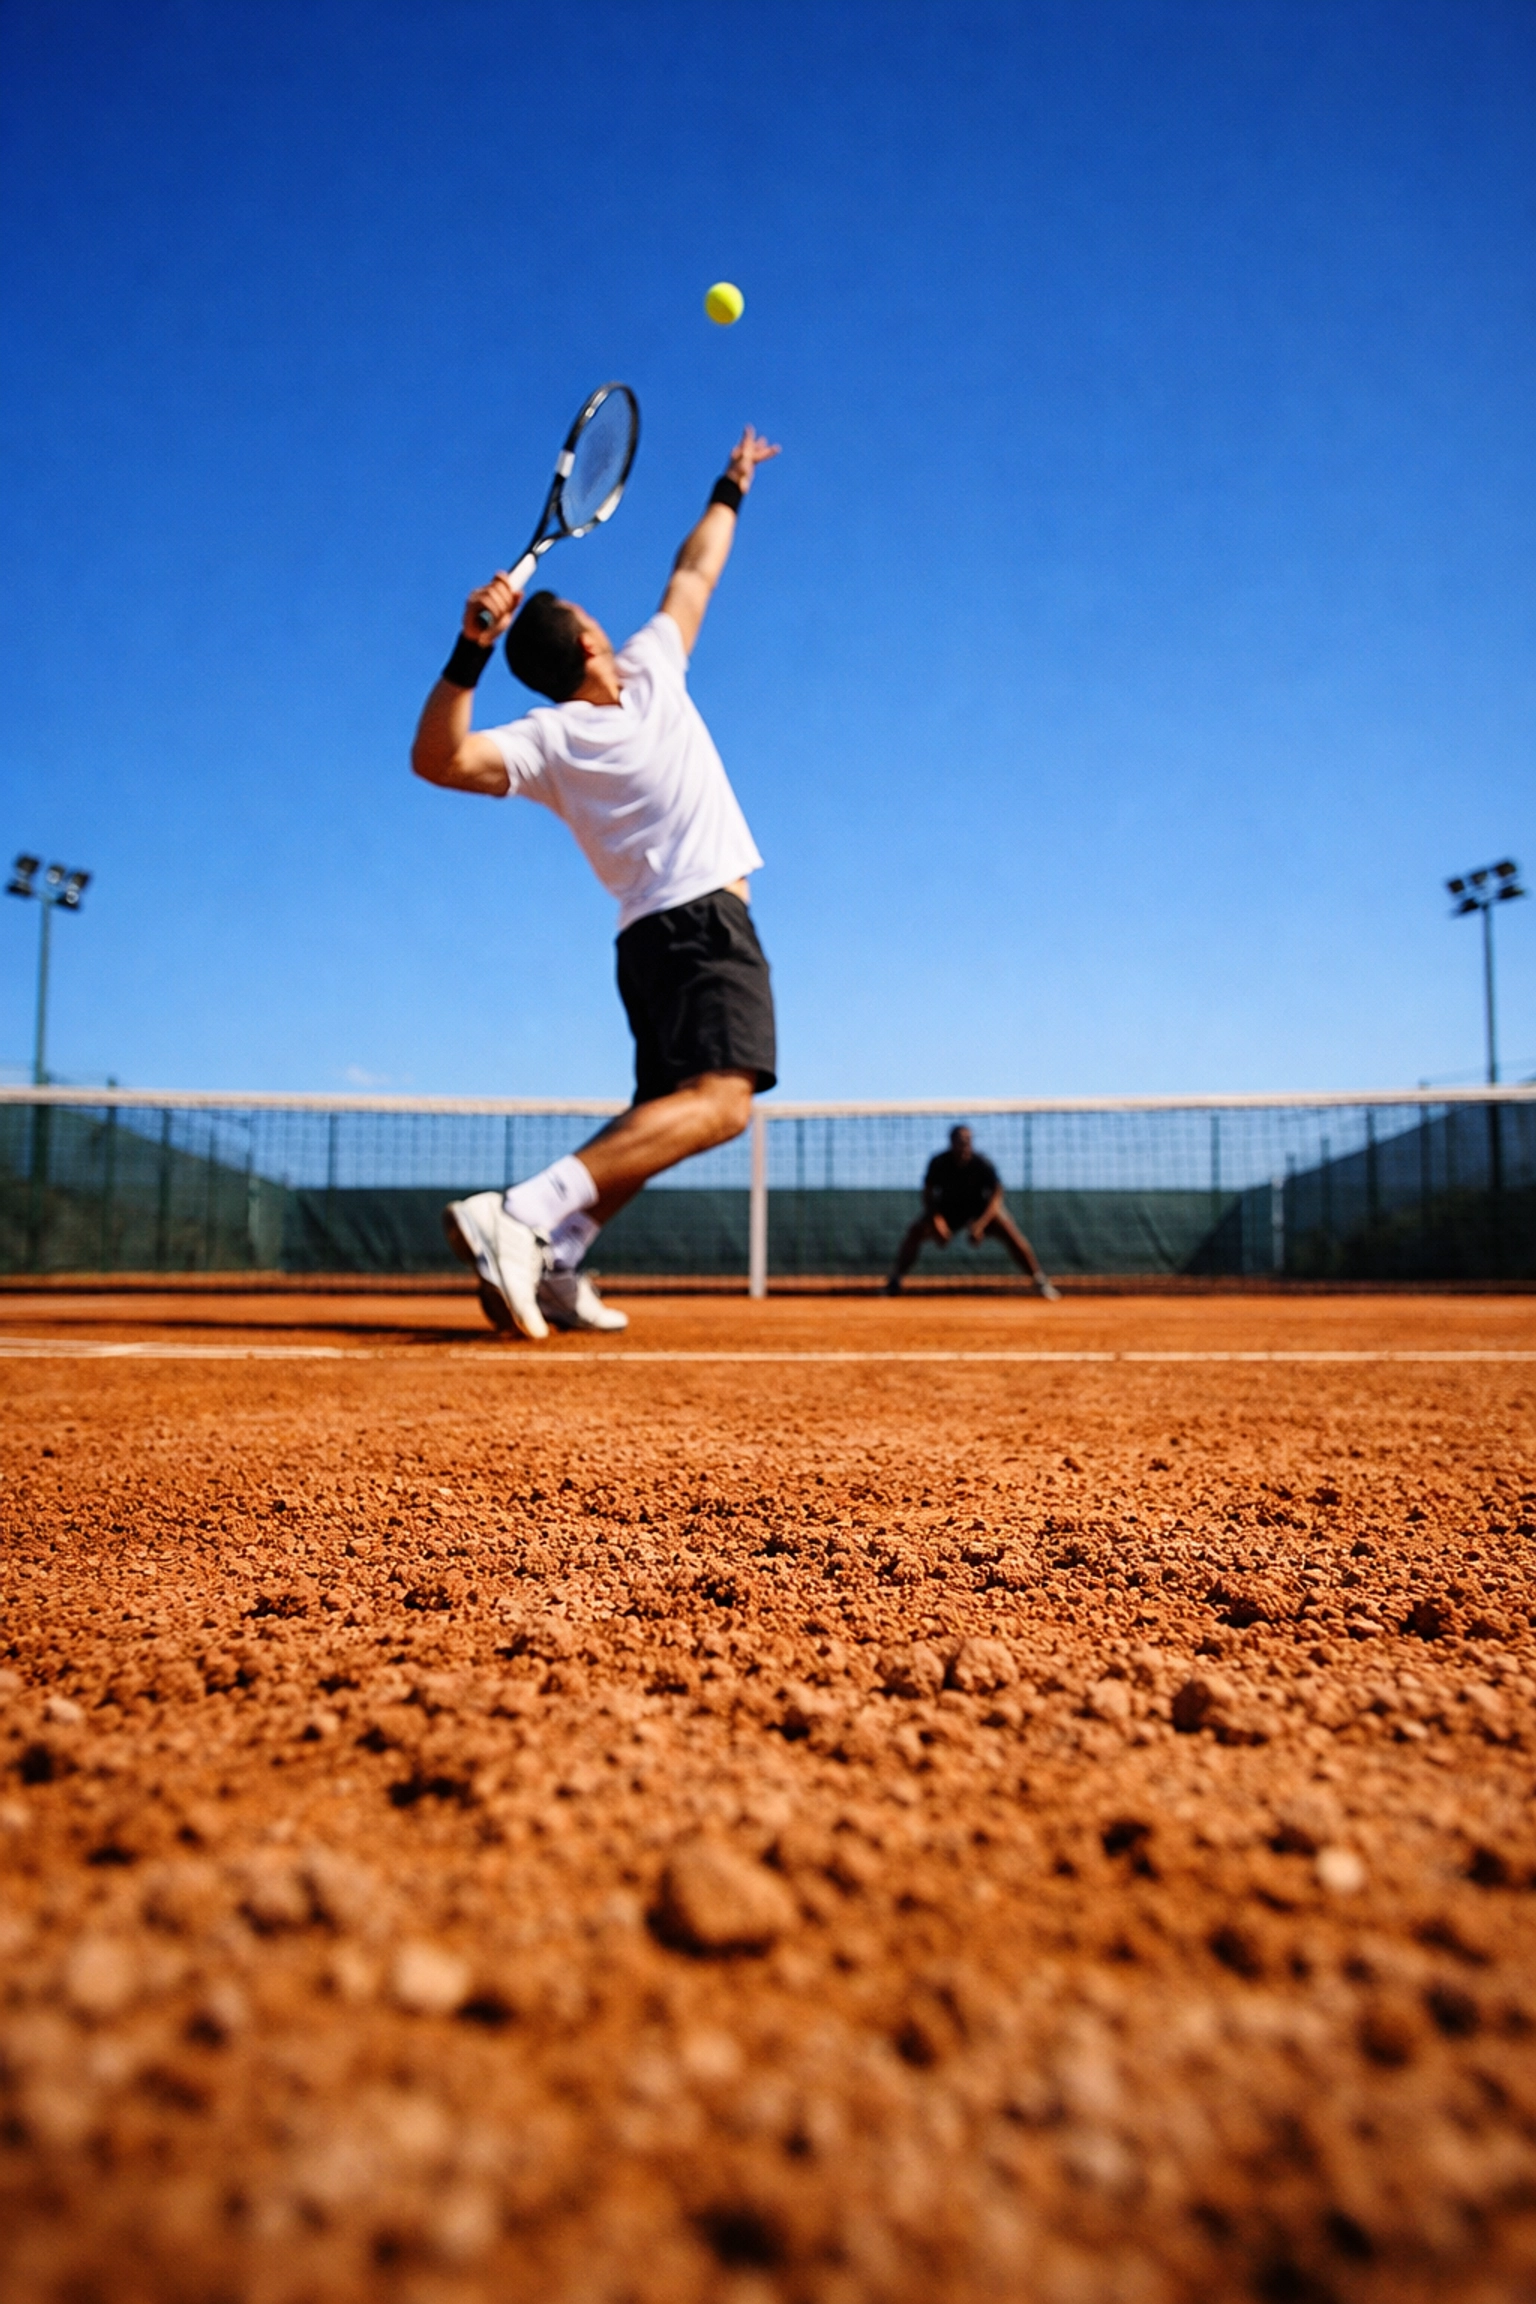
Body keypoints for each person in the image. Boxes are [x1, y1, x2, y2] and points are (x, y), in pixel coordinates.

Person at [411, 424, 781, 1340]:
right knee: (723, 1104)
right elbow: (441, 758)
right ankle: (527, 1216)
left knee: (660, 1117)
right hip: (700, 925)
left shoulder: (641, 674)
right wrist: (470, 650)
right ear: (583, 632)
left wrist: (729, 489)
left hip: (644, 942)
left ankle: (559, 1259)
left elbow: (693, 573)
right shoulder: (551, 734)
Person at [886, 1124, 1059, 1298]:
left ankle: (1040, 1281)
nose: (965, 1145)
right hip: (947, 1211)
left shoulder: (982, 1163)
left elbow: (996, 1195)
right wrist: (937, 1221)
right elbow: (928, 1194)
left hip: (979, 1211)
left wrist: (981, 1224)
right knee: (915, 1231)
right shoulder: (938, 1163)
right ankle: (894, 1282)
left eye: (968, 1141)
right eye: (960, 1141)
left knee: (1009, 1231)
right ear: (951, 1142)